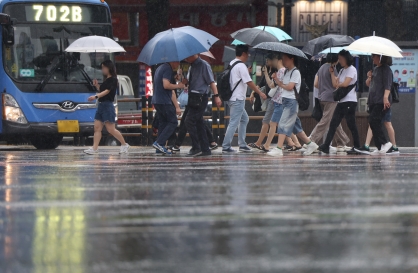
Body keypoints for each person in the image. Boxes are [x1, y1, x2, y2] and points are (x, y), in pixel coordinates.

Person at [266, 53, 318, 157]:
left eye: (285, 59)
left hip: (291, 102)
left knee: (282, 123)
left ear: (292, 59)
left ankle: (279, 148)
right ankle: (310, 144)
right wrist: (276, 79)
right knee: (296, 128)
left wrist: (280, 84)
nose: (283, 61)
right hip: (285, 101)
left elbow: (290, 87)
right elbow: (281, 85)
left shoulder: (295, 72)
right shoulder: (286, 71)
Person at [222, 44, 267, 153]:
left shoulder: (233, 63)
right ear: (243, 53)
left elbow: (237, 77)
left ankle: (242, 144)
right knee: (234, 122)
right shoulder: (241, 66)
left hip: (232, 97)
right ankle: (226, 146)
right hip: (237, 98)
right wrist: (260, 93)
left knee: (244, 119)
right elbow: (249, 82)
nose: (248, 55)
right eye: (247, 53)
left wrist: (247, 71)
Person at [318, 50, 361, 154]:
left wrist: (339, 83)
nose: (340, 61)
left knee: (351, 124)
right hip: (342, 101)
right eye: (339, 59)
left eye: (341, 59)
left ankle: (357, 146)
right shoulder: (341, 70)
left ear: (346, 59)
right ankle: (326, 145)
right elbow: (335, 84)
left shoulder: (352, 69)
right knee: (333, 123)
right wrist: (332, 73)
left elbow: (345, 84)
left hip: (350, 101)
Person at [84, 60, 130, 155]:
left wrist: (96, 96)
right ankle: (94, 148)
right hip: (101, 105)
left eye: (104, 67)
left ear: (109, 68)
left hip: (108, 105)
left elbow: (107, 91)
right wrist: (97, 85)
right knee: (97, 128)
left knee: (110, 129)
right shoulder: (106, 80)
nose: (102, 70)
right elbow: (102, 90)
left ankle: (124, 144)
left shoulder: (113, 79)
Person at [183, 54, 222, 156]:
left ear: (195, 54)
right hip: (192, 96)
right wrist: (185, 82)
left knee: (189, 121)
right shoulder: (191, 66)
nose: (186, 58)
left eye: (188, 55)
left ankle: (197, 146)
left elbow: (211, 82)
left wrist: (216, 95)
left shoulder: (204, 65)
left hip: (200, 97)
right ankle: (205, 149)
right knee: (199, 123)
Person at [310, 53, 350, 152]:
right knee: (325, 121)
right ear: (335, 60)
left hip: (321, 98)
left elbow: (316, 83)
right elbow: (335, 85)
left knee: (334, 120)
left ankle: (341, 142)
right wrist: (333, 75)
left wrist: (324, 87)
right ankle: (310, 140)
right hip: (331, 99)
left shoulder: (321, 67)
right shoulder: (332, 68)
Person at [355, 54, 393, 155]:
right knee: (373, 122)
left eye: (374, 57)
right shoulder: (376, 69)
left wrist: (385, 98)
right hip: (373, 100)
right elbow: (368, 84)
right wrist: (369, 77)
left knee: (374, 120)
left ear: (380, 57)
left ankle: (385, 143)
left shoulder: (386, 70)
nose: (372, 59)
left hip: (381, 101)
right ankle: (379, 146)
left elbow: (388, 85)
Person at [152, 61, 185, 155]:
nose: (178, 64)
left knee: (163, 122)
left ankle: (159, 147)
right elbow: (166, 85)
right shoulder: (167, 68)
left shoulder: (160, 67)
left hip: (157, 100)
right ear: (172, 60)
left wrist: (175, 78)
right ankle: (159, 143)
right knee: (173, 122)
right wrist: (179, 86)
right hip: (164, 100)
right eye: (177, 62)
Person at [248, 54, 278, 150]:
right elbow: (259, 84)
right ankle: (294, 143)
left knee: (266, 121)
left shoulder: (275, 73)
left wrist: (265, 74)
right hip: (270, 99)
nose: (266, 62)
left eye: (268, 60)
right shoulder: (268, 72)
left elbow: (272, 85)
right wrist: (253, 93)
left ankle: (260, 143)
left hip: (274, 99)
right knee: (280, 122)